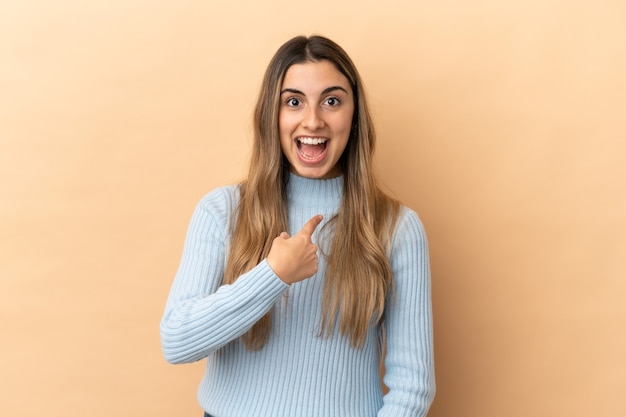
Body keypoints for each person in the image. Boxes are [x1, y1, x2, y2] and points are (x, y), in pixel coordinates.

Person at [160, 35, 435, 417]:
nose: (313, 120)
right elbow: (176, 341)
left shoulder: (396, 228)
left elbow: (413, 385)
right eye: (293, 102)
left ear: (354, 117)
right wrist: (273, 275)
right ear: (272, 116)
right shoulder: (222, 211)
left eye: (332, 101)